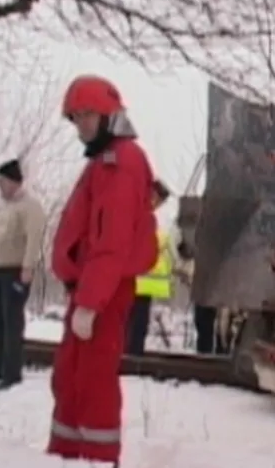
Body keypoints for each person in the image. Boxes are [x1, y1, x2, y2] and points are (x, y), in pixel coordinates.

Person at [48, 75, 157, 464]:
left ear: (108, 114)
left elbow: (111, 241)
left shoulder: (120, 162)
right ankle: (69, 452)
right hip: (93, 287)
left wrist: (91, 302)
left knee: (92, 376)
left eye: (87, 116)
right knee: (72, 373)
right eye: (76, 118)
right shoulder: (107, 161)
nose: (81, 126)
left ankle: (94, 456)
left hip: (103, 290)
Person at [0, 159, 47, 388]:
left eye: (2, 182)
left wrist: (28, 267)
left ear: (13, 182)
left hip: (15, 270)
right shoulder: (1, 207)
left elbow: (33, 238)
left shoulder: (30, 207)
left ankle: (12, 372)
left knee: (12, 322)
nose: (0, 187)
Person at [125, 180, 175, 357]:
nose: (159, 205)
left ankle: (130, 355)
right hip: (134, 281)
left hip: (138, 283)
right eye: (159, 200)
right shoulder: (139, 214)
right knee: (135, 322)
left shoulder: (140, 214)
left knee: (135, 322)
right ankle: (130, 356)